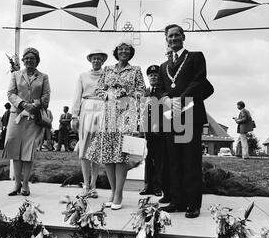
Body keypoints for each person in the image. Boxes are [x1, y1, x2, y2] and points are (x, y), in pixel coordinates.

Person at [156, 24, 213, 219]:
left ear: (183, 37)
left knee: (190, 160)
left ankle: (192, 204)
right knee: (174, 160)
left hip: (190, 113)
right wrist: (166, 99)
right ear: (166, 40)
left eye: (176, 35)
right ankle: (177, 200)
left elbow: (199, 80)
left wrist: (180, 99)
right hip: (171, 115)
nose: (173, 39)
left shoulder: (195, 56)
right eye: (169, 36)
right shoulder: (163, 66)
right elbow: (161, 88)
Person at [85, 42, 146, 210]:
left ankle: (119, 193)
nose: (123, 51)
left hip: (127, 114)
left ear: (131, 53)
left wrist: (126, 93)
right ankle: (112, 191)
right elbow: (98, 89)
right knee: (108, 155)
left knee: (120, 155)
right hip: (109, 114)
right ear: (116, 52)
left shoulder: (135, 70)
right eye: (121, 49)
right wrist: (107, 94)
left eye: (126, 49)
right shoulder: (108, 69)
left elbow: (142, 92)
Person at [2, 47, 51, 196]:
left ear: (37, 61)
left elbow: (46, 96)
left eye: (33, 58)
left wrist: (34, 105)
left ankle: (25, 184)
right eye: (27, 58)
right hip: (16, 116)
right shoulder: (16, 75)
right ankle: (16, 184)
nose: (29, 60)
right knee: (14, 149)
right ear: (23, 60)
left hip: (33, 118)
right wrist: (23, 104)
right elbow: (10, 93)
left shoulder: (43, 77)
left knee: (28, 151)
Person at [71, 49, 108, 198]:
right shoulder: (83, 76)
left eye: (99, 59)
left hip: (101, 110)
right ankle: (85, 184)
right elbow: (77, 96)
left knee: (97, 150)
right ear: (90, 60)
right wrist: (74, 115)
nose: (96, 61)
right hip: (86, 110)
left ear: (103, 61)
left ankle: (93, 185)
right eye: (94, 58)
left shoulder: (107, 76)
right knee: (85, 149)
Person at [140, 65, 165, 198]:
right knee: (148, 158)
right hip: (148, 130)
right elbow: (143, 111)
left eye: (155, 75)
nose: (153, 77)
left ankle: (157, 186)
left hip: (160, 130)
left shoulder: (163, 92)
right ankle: (147, 185)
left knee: (159, 159)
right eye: (151, 75)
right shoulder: (146, 91)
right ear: (148, 77)